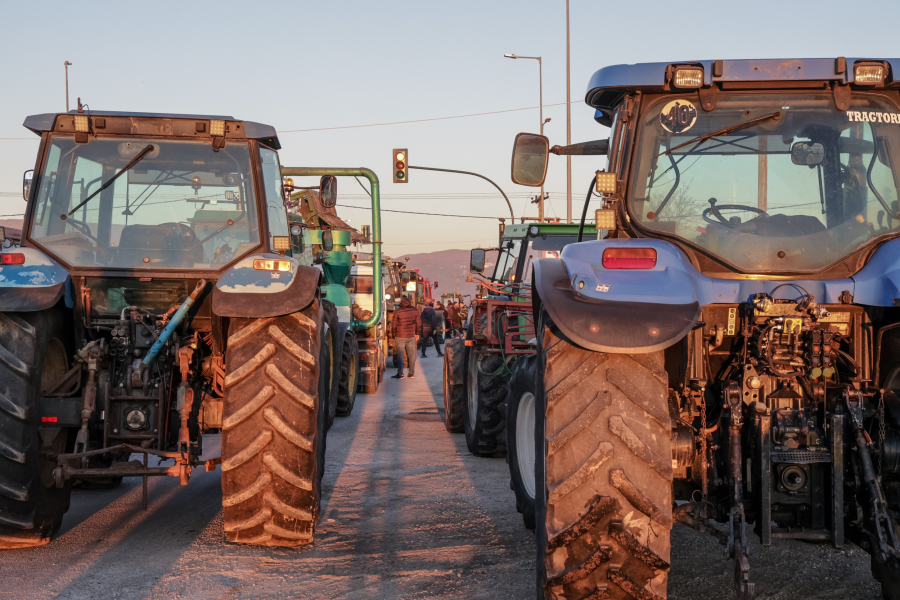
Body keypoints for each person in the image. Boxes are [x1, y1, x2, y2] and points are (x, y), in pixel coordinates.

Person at [390, 296, 420, 379]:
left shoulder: (397, 311)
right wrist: (417, 333)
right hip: (411, 336)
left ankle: (400, 374)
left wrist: (393, 335)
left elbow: (394, 325)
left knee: (400, 355)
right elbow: (418, 323)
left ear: (401, 303)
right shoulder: (415, 310)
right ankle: (411, 373)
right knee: (411, 355)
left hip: (400, 336)